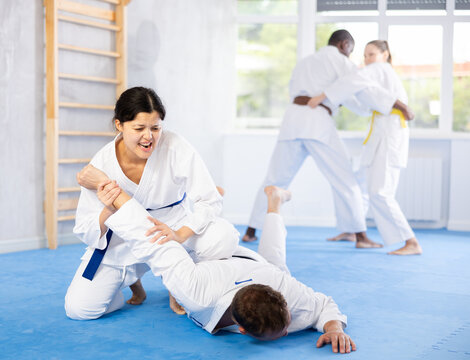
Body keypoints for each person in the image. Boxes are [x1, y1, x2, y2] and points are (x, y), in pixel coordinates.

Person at [83, 174, 356, 353]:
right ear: (242, 329)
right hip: (213, 262)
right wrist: (112, 192)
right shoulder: (199, 293)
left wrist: (334, 328)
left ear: (281, 299)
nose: (288, 332)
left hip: (260, 268)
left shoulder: (291, 294)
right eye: (283, 330)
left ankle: (275, 201)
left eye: (285, 324)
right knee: (185, 247)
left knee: (275, 259)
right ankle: (205, 206)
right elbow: (155, 241)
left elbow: (323, 305)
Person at [65, 87, 239, 320]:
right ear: (119, 125)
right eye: (139, 128)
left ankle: (180, 282)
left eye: (155, 128)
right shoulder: (101, 164)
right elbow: (85, 229)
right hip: (124, 239)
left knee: (223, 237)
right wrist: (108, 208)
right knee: (80, 309)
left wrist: (180, 233)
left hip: (171, 229)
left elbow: (209, 200)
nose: (149, 137)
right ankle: (131, 280)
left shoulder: (176, 147)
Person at [242, 30, 412, 249]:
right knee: (345, 179)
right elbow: (360, 90)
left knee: (274, 179)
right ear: (344, 45)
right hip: (317, 123)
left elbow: (295, 90)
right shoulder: (340, 61)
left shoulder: (304, 62)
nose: (353, 56)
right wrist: (394, 104)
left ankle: (250, 231)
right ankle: (360, 236)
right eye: (352, 50)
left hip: (292, 120)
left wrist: (333, 99)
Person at [308, 40, 422, 255]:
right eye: (365, 55)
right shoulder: (375, 79)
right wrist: (335, 99)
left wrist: (323, 96)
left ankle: (411, 241)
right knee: (359, 182)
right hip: (380, 132)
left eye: (372, 54)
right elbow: (361, 99)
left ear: (385, 54)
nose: (367, 59)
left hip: (390, 133)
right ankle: (352, 230)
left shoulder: (381, 69)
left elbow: (355, 81)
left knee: (380, 192)